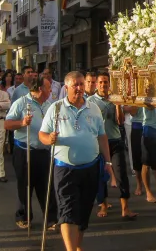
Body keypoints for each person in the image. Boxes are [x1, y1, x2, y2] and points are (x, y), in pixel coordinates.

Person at [39, 71, 112, 251]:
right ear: (66, 88)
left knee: (84, 211)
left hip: (90, 168)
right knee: (67, 211)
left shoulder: (93, 108)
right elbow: (42, 134)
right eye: (75, 85)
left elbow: (102, 136)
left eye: (81, 84)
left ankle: (77, 246)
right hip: (65, 169)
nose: (79, 88)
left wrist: (108, 163)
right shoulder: (55, 108)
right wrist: (50, 139)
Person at [5, 75, 58, 230]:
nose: (51, 90)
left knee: (47, 186)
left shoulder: (50, 105)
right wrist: (21, 122)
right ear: (40, 89)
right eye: (48, 87)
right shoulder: (21, 103)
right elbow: (7, 124)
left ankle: (51, 219)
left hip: (45, 151)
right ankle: (23, 216)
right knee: (25, 185)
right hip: (25, 151)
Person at [88, 73, 138, 220]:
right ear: (97, 85)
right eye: (101, 82)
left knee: (121, 173)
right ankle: (103, 204)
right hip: (98, 143)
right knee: (101, 175)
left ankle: (125, 207)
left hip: (115, 140)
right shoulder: (91, 101)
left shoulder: (115, 99)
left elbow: (120, 121)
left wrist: (117, 105)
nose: (104, 85)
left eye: (106, 82)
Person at [124, 104, 144, 195]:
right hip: (136, 125)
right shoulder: (133, 92)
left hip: (153, 124)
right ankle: (139, 184)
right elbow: (132, 111)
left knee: (155, 160)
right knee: (137, 156)